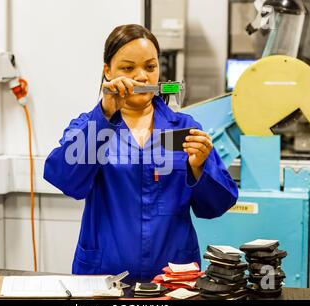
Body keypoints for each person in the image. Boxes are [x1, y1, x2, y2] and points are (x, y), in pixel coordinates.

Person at [44, 24, 238, 280]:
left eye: (150, 67)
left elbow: (218, 204)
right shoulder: (90, 126)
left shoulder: (184, 129)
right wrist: (104, 115)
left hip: (172, 278)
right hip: (103, 276)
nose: (142, 77)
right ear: (107, 71)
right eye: (127, 68)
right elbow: (66, 180)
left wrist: (200, 167)